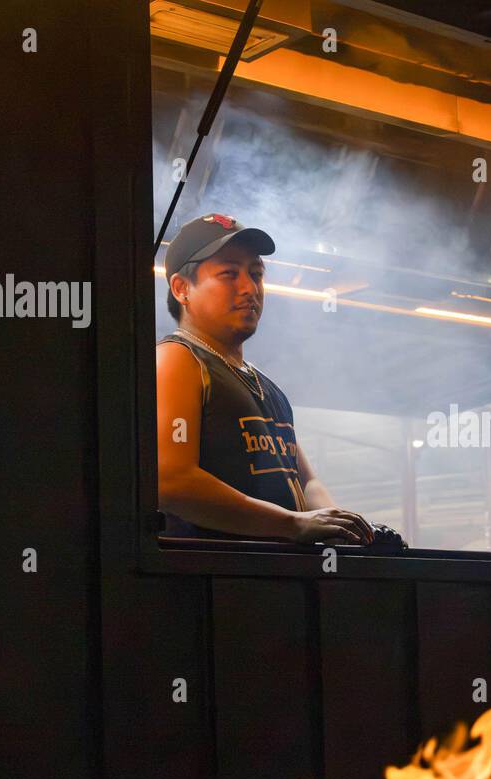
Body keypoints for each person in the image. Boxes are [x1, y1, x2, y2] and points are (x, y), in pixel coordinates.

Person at [155, 213, 373, 545]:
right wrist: (293, 524)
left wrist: (342, 527)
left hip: (272, 580)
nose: (249, 288)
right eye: (229, 273)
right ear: (182, 288)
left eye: (256, 274)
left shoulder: (265, 385)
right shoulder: (179, 358)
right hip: (211, 582)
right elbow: (169, 479)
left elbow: (306, 481)